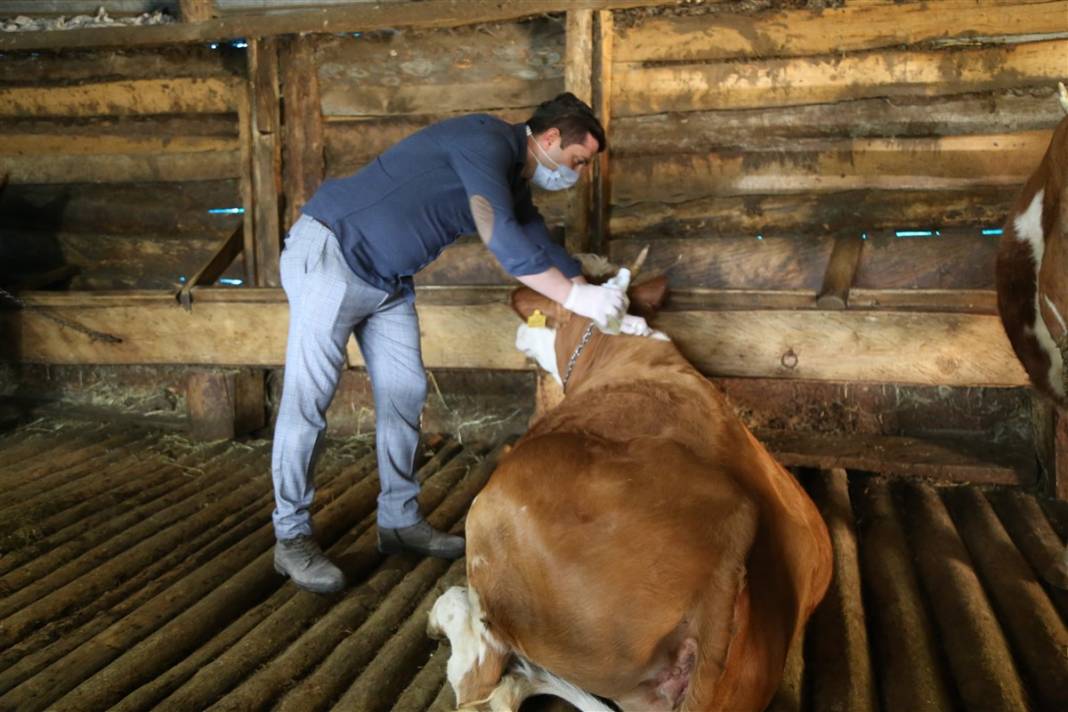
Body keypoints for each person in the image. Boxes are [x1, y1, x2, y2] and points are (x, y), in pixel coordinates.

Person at [271, 92, 627, 594]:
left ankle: (398, 520)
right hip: (333, 252)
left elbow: (538, 241)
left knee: (405, 391)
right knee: (309, 398)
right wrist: (572, 296)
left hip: (387, 278)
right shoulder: (485, 141)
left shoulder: (511, 179)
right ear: (550, 139)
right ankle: (291, 537)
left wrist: (590, 287)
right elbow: (500, 234)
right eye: (578, 161)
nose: (578, 173)